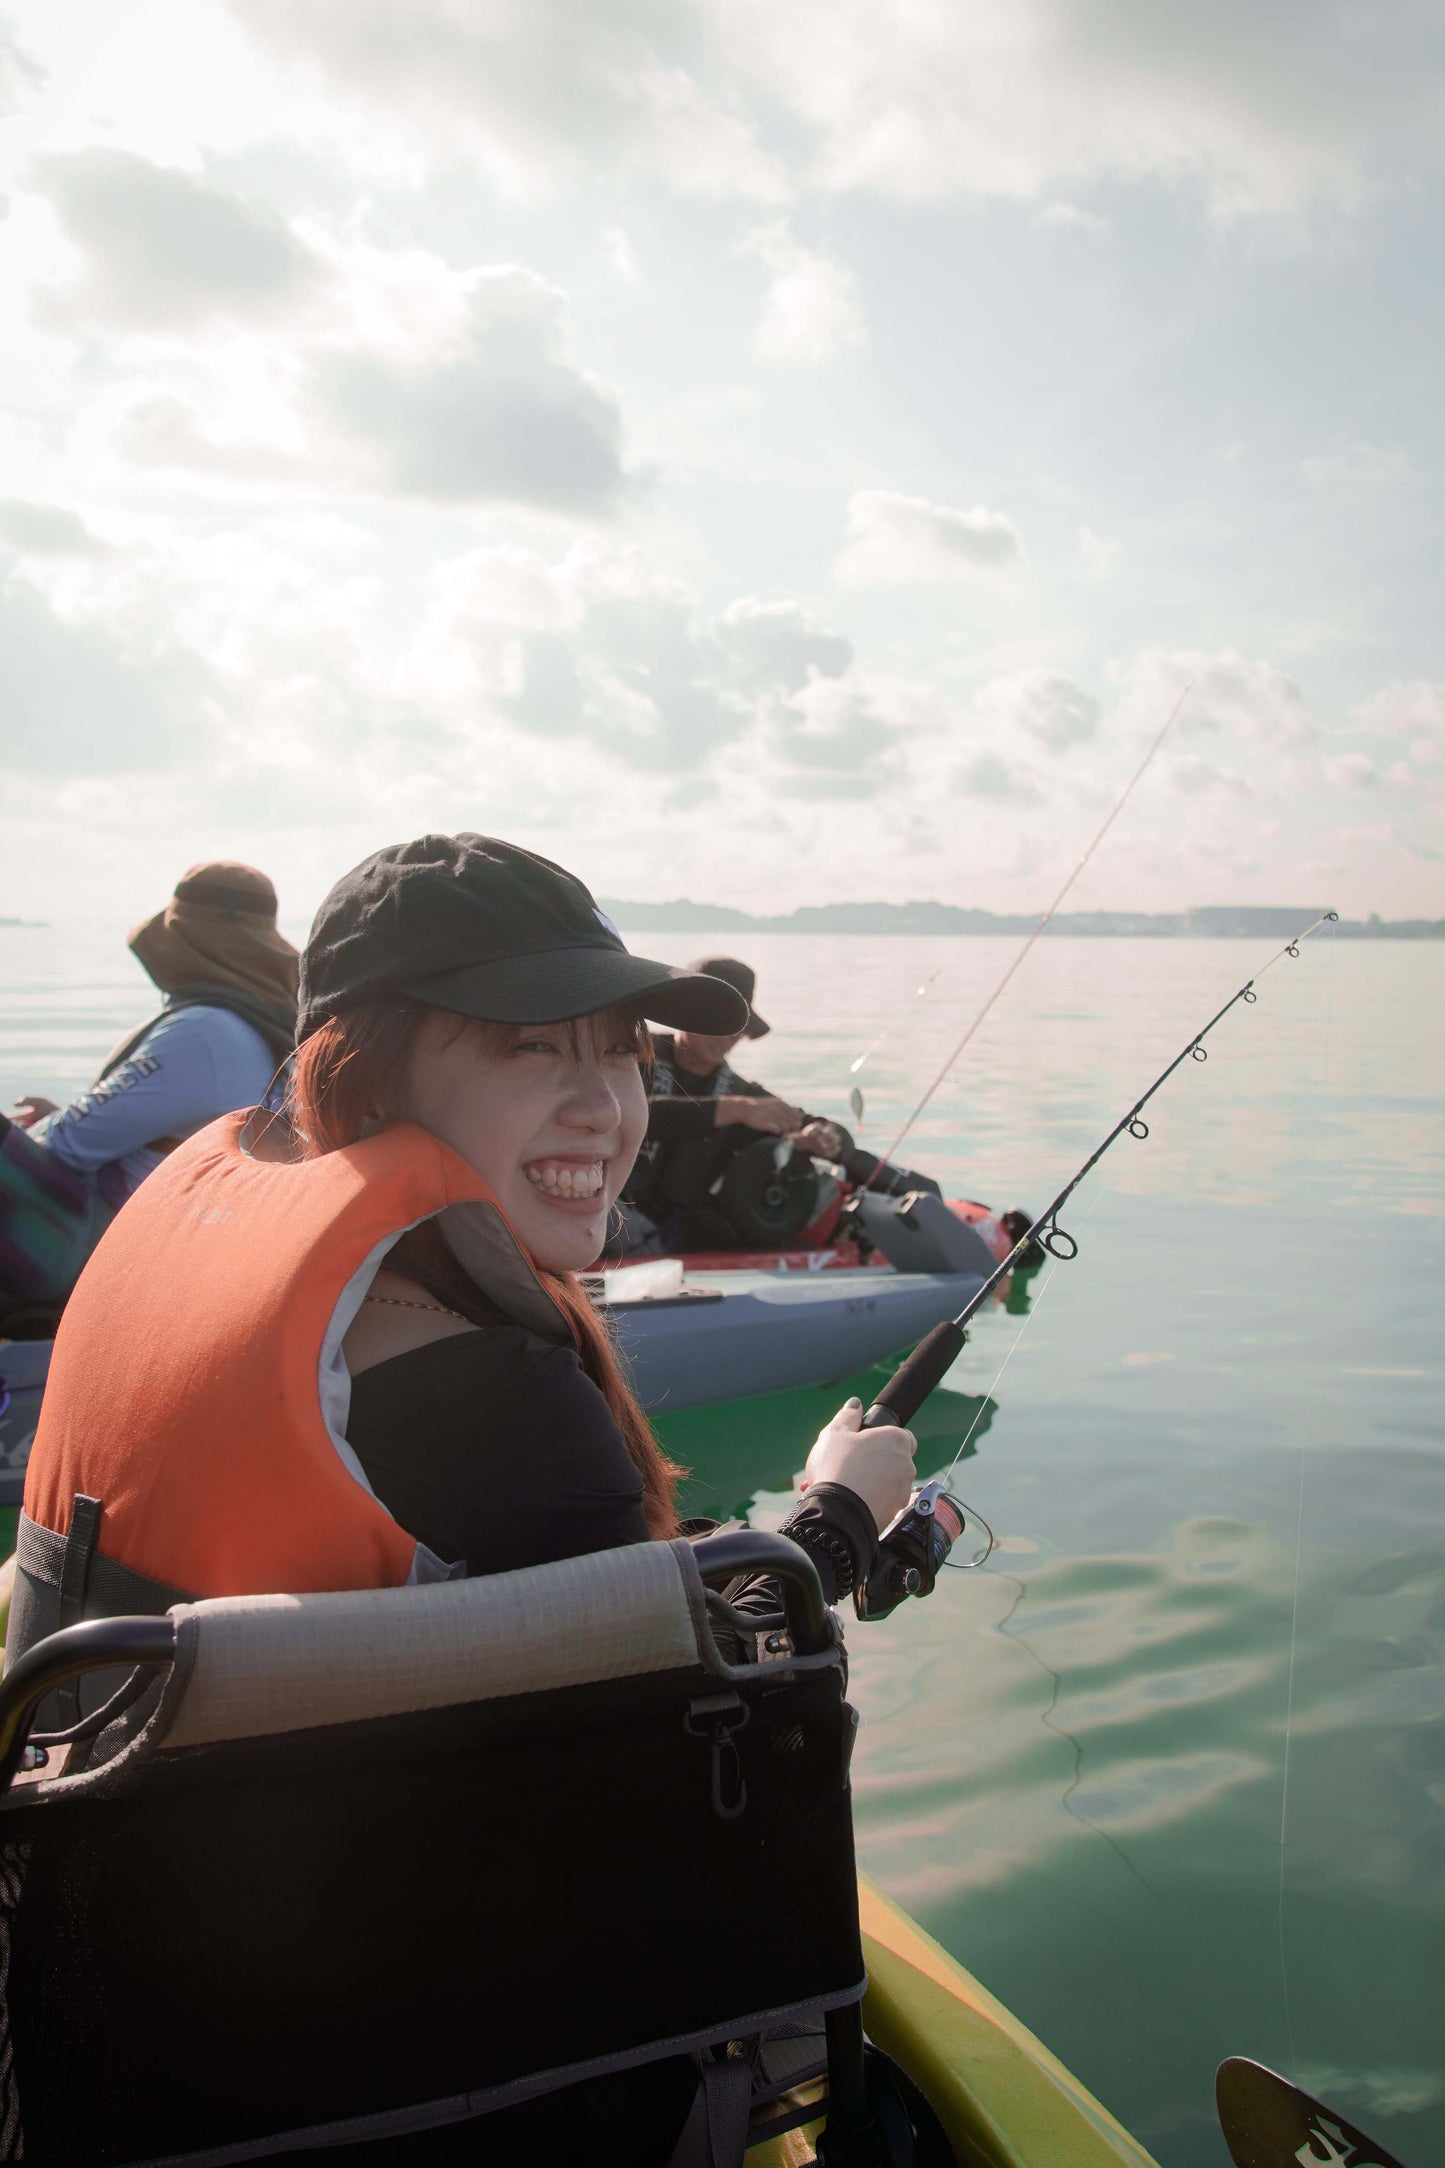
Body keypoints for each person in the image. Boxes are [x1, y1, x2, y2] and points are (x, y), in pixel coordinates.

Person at [8, 835, 916, 1671]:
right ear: (362, 1088)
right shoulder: (498, 1402)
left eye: (616, 1052)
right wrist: (834, 1525)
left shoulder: (237, 1279)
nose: (602, 1107)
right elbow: (694, 1694)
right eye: (529, 1048)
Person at [0, 861, 298, 1321]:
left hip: (107, 1245)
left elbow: (64, 1146)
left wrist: (54, 1122)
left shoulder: (203, 1032)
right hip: (194, 1239)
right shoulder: (264, 1024)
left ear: (182, 942)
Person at [620, 955, 934, 1253]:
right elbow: (625, 1113)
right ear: (684, 1013)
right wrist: (734, 1110)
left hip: (673, 1230)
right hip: (610, 1206)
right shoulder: (626, 1056)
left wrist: (823, 1136)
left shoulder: (743, 1093)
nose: (730, 1036)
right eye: (718, 1020)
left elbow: (806, 1120)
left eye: (738, 1026)